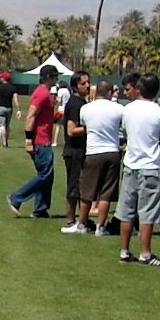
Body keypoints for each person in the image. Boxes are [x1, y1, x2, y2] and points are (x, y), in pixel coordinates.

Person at [116, 73, 160, 265]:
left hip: (131, 163)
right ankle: (145, 252)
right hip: (151, 166)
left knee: (126, 210)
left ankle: (124, 249)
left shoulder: (127, 109)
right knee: (147, 212)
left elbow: (124, 132)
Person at [65, 80, 123, 235]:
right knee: (106, 192)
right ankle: (101, 227)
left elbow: (84, 126)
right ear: (110, 92)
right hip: (112, 151)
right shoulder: (119, 108)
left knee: (87, 191)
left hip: (93, 152)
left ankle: (82, 223)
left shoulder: (86, 108)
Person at [7, 63, 60, 218]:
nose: (57, 79)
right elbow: (31, 116)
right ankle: (16, 198)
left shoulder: (47, 94)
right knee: (45, 175)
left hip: (45, 139)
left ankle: (40, 209)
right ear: (48, 78)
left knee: (46, 176)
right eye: (55, 76)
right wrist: (29, 140)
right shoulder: (41, 94)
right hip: (40, 140)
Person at [59, 71, 90, 226]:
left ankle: (82, 219)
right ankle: (70, 219)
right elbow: (71, 130)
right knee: (74, 185)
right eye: (83, 83)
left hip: (80, 150)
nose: (87, 86)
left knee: (81, 186)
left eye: (88, 82)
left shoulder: (82, 102)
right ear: (75, 86)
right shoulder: (75, 104)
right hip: (74, 150)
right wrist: (90, 128)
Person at [0, 71, 16, 146]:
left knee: (2, 125)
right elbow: (15, 99)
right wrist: (18, 108)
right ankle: (6, 141)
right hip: (9, 108)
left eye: (1, 77)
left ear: (4, 79)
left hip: (0, 108)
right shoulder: (13, 88)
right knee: (7, 125)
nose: (0, 78)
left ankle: (4, 142)